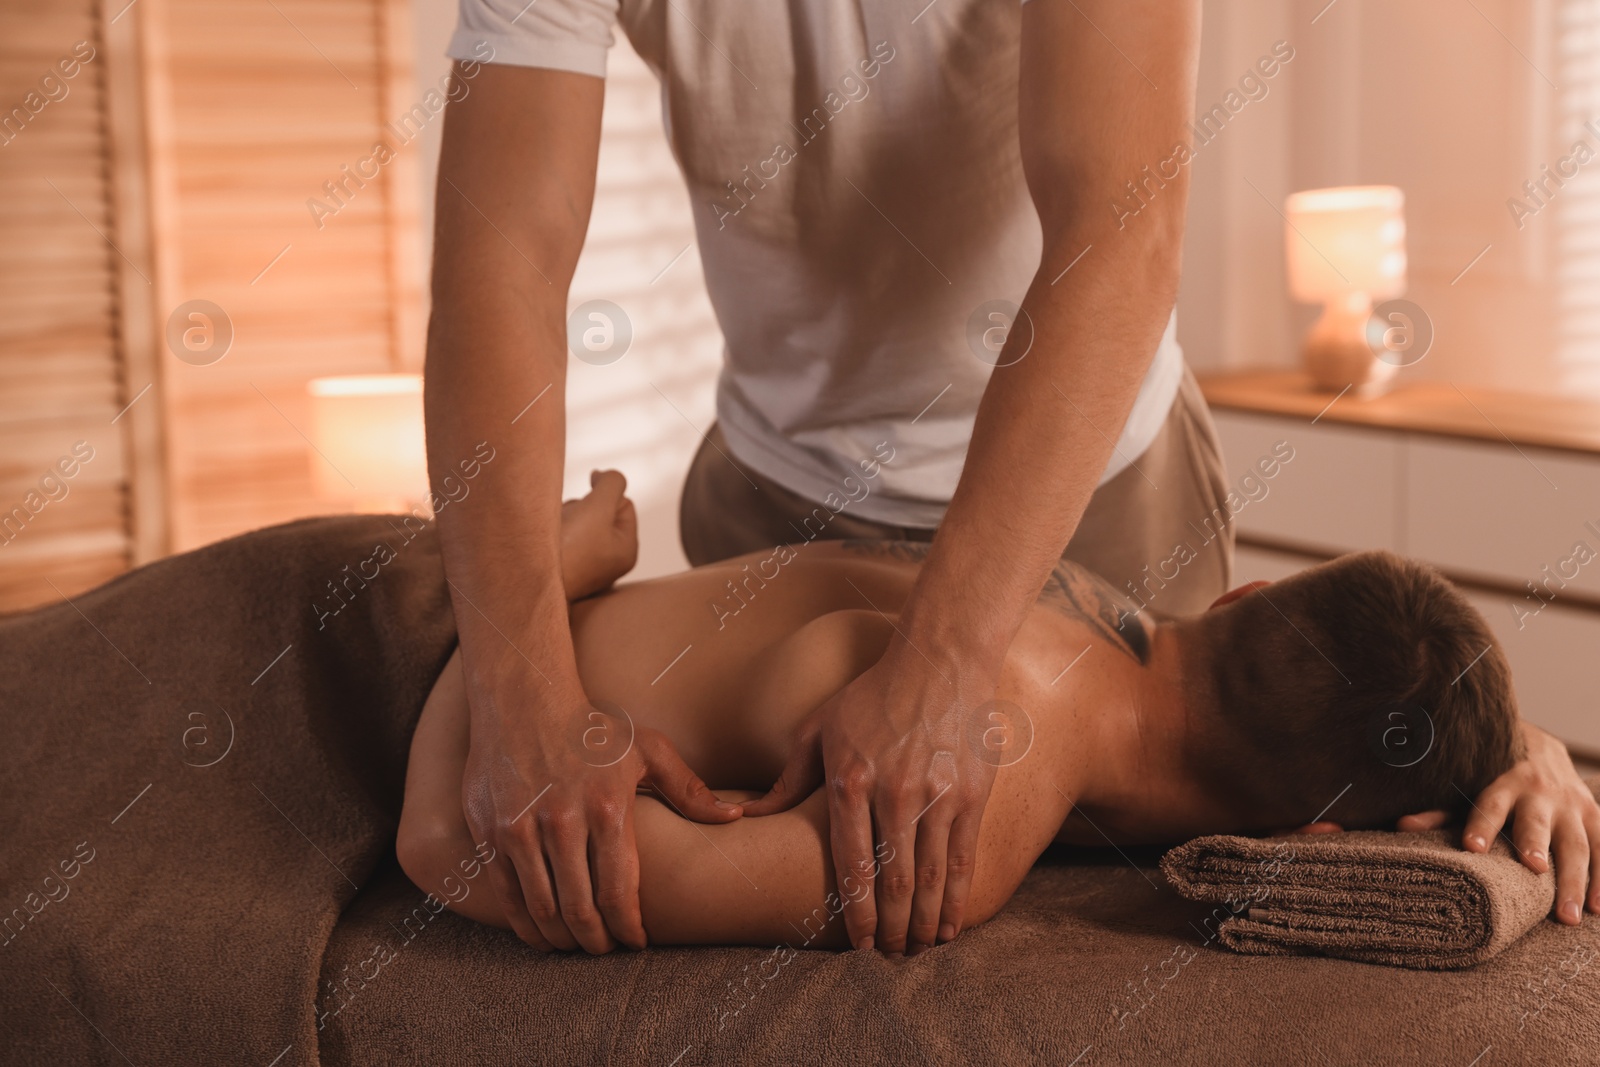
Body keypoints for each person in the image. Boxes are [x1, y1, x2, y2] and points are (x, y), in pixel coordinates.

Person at [422, 0, 1597, 955]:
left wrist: (1503, 743)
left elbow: (1119, 229)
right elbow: (501, 260)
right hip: (780, 471)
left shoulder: (1100, 679)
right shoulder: (1118, 686)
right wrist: (517, 700)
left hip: (1091, 475)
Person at [397, 473, 1533, 950]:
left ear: (1238, 594)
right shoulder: (976, 788)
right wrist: (529, 601)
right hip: (404, 659)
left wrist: (1533, 752)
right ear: (1304, 844)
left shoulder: (1055, 589)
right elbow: (448, 847)